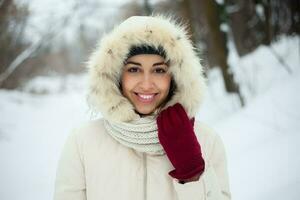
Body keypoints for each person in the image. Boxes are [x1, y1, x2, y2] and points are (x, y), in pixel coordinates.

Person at [54, 15, 231, 200]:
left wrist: (192, 172)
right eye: (134, 69)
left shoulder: (206, 140)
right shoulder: (82, 142)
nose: (146, 84)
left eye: (159, 70)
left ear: (176, 77)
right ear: (115, 76)